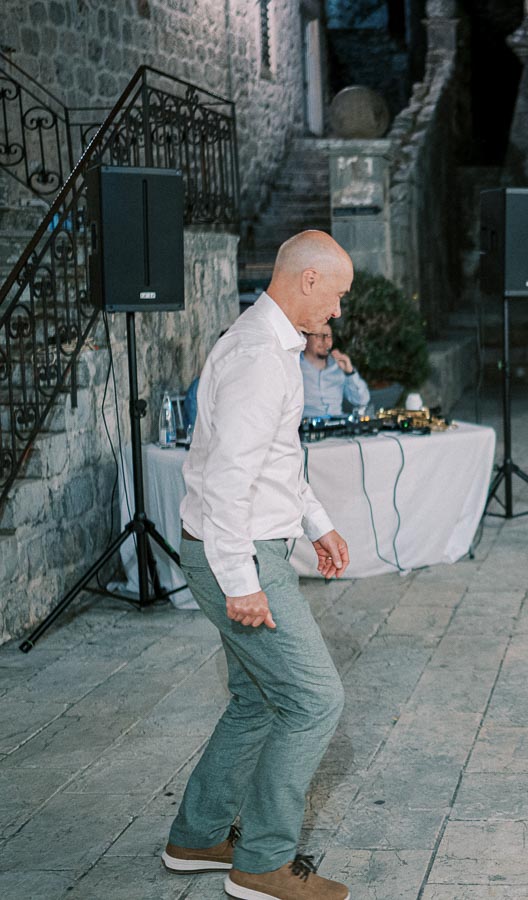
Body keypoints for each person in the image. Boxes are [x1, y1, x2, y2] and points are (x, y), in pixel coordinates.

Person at [161, 231, 353, 900]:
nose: (337, 311)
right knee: (314, 701)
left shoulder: (269, 347)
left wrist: (317, 522)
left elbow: (273, 462)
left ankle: (197, 835)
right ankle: (264, 864)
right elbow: (225, 483)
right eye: (335, 295)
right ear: (307, 281)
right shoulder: (256, 359)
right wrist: (241, 582)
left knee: (255, 701)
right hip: (236, 553)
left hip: (242, 545)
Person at [300, 322, 370, 418]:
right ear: (305, 338)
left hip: (338, 426)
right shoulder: (295, 366)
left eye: (329, 336)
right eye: (319, 336)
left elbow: (362, 400)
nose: (325, 341)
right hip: (305, 428)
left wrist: (350, 373)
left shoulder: (339, 365)